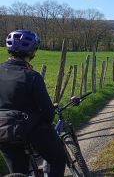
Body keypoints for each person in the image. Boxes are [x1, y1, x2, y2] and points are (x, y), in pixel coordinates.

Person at [0, 30, 67, 177]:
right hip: (30, 129)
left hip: (2, 131)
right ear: (33, 52)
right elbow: (48, 111)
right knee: (59, 159)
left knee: (18, 172)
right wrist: (46, 126)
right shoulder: (32, 76)